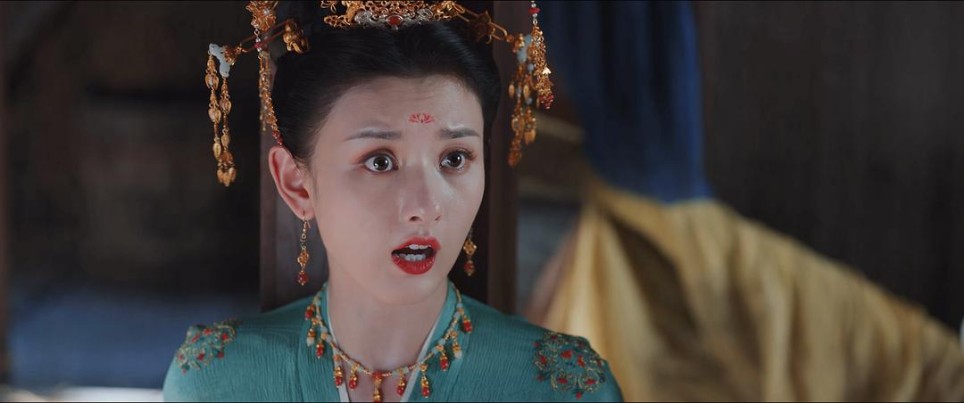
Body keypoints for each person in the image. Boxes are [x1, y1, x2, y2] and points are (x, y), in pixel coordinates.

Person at [162, 1, 621, 401]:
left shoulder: (563, 388)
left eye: (455, 158)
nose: (425, 206)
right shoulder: (217, 379)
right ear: (297, 184)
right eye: (379, 161)